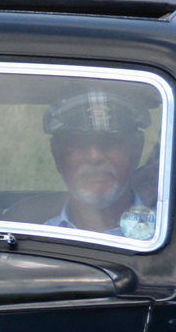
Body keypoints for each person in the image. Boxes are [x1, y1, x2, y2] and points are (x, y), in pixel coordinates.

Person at [11, 89, 158, 240]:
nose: (94, 157)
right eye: (78, 143)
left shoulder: (170, 234)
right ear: (57, 155)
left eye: (111, 141)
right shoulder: (36, 242)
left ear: (136, 150)